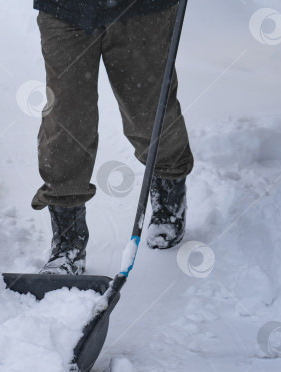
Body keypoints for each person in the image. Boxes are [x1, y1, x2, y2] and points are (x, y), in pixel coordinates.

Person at [31, 0, 194, 275]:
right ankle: (68, 239)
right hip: (64, 9)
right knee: (65, 118)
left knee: (150, 112)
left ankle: (169, 188)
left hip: (142, 9)